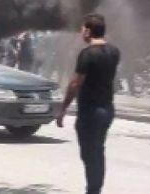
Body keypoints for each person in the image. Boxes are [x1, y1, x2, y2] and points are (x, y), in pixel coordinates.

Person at [55, 14, 120, 194]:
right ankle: (95, 189)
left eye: (83, 29)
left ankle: (92, 190)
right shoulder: (114, 51)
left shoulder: (87, 54)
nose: (81, 32)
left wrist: (63, 109)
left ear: (88, 31)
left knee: (89, 154)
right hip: (107, 108)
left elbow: (76, 83)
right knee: (98, 151)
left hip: (90, 111)